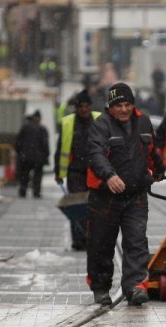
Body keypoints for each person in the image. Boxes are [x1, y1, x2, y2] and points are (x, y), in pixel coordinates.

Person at [85, 82, 164, 306]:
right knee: (101, 244)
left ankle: (136, 285)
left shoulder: (144, 122)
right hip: (105, 197)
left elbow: (150, 150)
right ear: (110, 106)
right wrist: (109, 176)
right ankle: (100, 287)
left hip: (135, 195)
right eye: (119, 105)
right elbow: (95, 154)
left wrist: (158, 169)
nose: (123, 109)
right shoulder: (101, 126)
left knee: (136, 241)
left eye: (128, 104)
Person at [54, 90, 101, 251]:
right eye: (81, 106)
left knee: (94, 208)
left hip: (95, 172)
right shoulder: (68, 123)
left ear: (90, 106)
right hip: (75, 172)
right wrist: (58, 173)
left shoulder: (99, 120)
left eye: (86, 106)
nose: (84, 109)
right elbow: (60, 149)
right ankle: (79, 240)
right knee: (77, 207)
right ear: (76, 107)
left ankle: (92, 238)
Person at [15, 110, 49, 198]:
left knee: (24, 175)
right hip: (38, 157)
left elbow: (18, 142)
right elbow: (45, 144)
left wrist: (19, 153)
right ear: (39, 118)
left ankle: (23, 191)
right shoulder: (42, 129)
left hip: (25, 157)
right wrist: (46, 156)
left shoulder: (25, 127)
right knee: (37, 176)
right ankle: (36, 192)